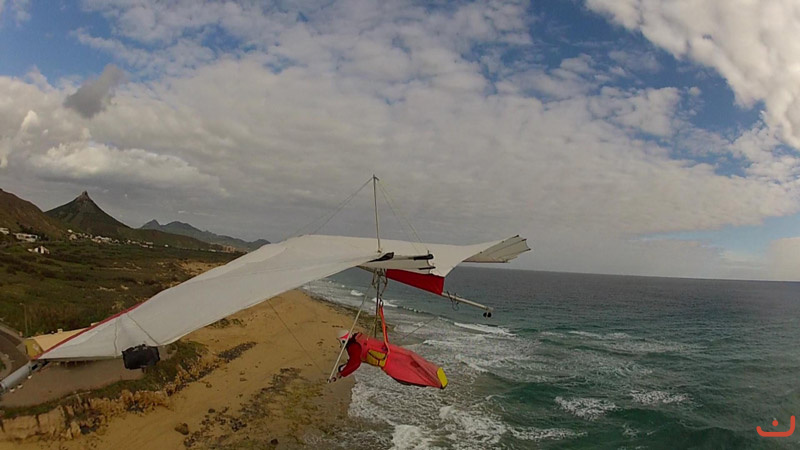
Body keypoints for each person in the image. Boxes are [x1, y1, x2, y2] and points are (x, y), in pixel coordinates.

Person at [329, 329, 448, 389]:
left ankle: (434, 379)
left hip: (390, 361)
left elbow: (355, 363)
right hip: (391, 352)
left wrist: (342, 374)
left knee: (407, 370)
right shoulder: (357, 340)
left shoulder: (354, 347)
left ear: (343, 340)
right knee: (410, 358)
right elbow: (355, 360)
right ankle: (433, 374)